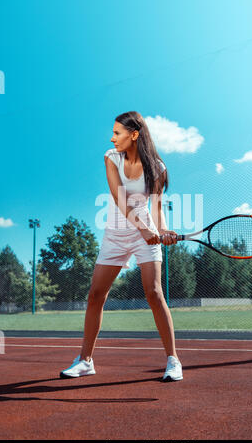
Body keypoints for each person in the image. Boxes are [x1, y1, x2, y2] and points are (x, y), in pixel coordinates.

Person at [60, 111, 183, 382]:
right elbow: (119, 198)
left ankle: (173, 361)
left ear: (134, 134)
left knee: (153, 293)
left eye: (117, 133)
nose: (112, 137)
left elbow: (157, 207)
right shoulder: (111, 158)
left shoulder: (158, 169)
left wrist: (161, 231)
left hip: (146, 234)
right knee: (95, 295)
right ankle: (85, 361)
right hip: (115, 235)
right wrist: (143, 228)